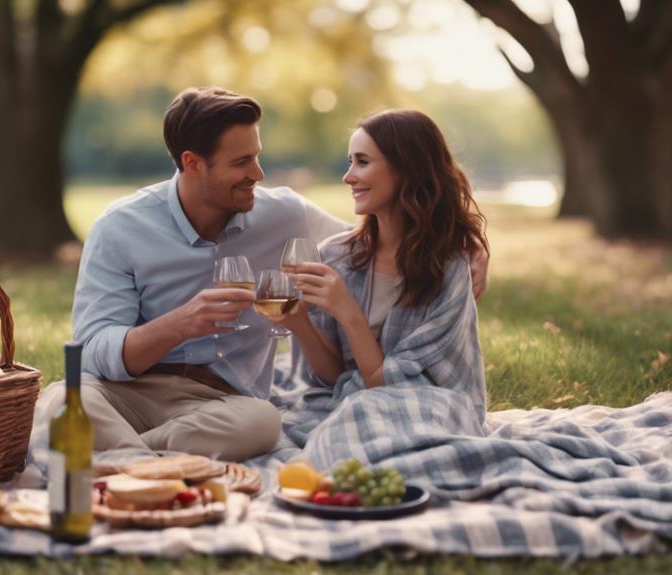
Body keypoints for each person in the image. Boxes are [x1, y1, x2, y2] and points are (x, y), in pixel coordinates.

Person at [49, 89, 487, 463]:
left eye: (256, 157)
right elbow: (88, 350)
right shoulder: (121, 228)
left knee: (263, 423)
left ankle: (119, 462)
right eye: (242, 162)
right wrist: (179, 324)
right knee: (59, 401)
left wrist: (468, 245)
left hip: (223, 403)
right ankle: (145, 465)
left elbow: (373, 245)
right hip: (129, 392)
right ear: (193, 163)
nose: (257, 175)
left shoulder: (284, 214)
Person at [276, 109, 489, 429]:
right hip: (358, 403)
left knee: (370, 419)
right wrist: (299, 323)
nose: (348, 176)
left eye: (362, 162)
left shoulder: (448, 269)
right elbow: (333, 379)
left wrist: (347, 310)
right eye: (350, 162)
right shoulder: (334, 256)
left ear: (406, 168)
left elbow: (389, 385)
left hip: (430, 406)